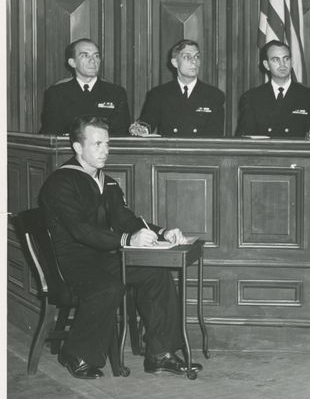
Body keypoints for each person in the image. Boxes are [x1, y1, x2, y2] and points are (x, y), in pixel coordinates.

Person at [38, 115, 201, 379]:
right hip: (71, 263)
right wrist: (127, 240)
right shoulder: (61, 182)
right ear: (77, 147)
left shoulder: (107, 182)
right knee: (109, 287)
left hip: (104, 256)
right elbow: (81, 231)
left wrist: (162, 232)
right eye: (97, 144)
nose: (105, 151)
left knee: (156, 273)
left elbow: (126, 219)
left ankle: (160, 353)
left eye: (107, 144)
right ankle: (75, 353)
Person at [40, 39, 130, 135]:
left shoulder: (116, 93)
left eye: (96, 56)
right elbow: (51, 132)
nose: (93, 60)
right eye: (85, 55)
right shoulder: (57, 93)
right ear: (72, 62)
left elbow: (122, 133)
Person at [136, 39, 225, 137]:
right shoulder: (159, 94)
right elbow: (147, 122)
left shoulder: (214, 95)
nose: (194, 61)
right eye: (187, 57)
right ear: (175, 62)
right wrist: (140, 129)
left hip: (199, 147)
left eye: (197, 57)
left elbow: (215, 135)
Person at [236, 40, 310, 138]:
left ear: (292, 62)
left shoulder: (309, 97)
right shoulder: (252, 98)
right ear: (266, 65)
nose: (282, 64)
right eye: (276, 60)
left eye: (286, 59)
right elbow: (244, 138)